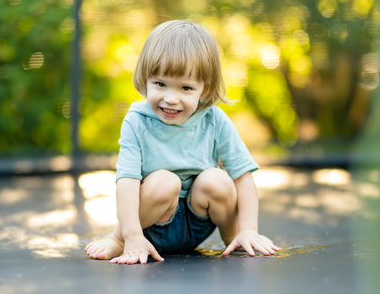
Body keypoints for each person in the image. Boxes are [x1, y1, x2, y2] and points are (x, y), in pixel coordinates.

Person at [85, 19, 280, 265]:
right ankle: (119, 241)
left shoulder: (214, 120)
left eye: (186, 88)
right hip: (153, 223)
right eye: (160, 84)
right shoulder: (137, 121)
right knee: (165, 181)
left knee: (216, 179)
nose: (170, 98)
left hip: (200, 219)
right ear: (146, 78)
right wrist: (131, 234)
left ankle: (236, 238)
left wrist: (249, 227)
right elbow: (127, 181)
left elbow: (243, 176)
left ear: (205, 90)